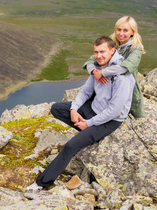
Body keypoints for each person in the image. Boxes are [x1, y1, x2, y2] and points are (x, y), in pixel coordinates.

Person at [26, 36, 135, 191]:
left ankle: (41, 184)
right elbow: (85, 92)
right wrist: (74, 109)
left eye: (102, 52)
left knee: (71, 146)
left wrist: (88, 124)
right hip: (94, 108)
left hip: (110, 120)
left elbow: (114, 110)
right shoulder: (97, 67)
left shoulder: (122, 75)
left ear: (112, 51)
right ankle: (87, 134)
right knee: (57, 108)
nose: (99, 56)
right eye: (96, 52)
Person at [83, 16, 145, 118]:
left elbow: (125, 67)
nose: (121, 33)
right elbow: (90, 60)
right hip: (104, 88)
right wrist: (94, 71)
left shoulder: (135, 49)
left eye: (125, 30)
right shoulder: (111, 44)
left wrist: (102, 73)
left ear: (132, 32)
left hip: (126, 91)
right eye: (118, 29)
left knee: (127, 119)